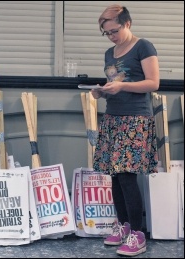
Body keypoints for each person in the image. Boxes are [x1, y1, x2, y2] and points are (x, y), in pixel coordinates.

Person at [91, 4, 159, 257]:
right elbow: (115, 83)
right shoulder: (110, 53)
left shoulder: (144, 46)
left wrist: (122, 88)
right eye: (106, 33)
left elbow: (153, 82)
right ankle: (124, 226)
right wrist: (101, 91)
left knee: (128, 175)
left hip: (135, 118)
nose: (111, 37)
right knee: (114, 175)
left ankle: (138, 235)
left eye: (115, 31)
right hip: (113, 117)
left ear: (127, 24)